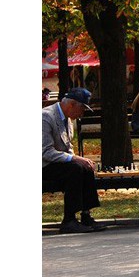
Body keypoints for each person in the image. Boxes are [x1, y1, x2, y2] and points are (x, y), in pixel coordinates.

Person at [42, 87, 106, 233]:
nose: (82, 113)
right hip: (44, 165)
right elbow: (45, 152)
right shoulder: (46, 117)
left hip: (56, 164)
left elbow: (68, 146)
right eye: (82, 108)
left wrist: (79, 159)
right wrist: (74, 158)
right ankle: (69, 220)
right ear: (71, 104)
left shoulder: (68, 119)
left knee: (84, 167)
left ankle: (86, 214)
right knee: (75, 169)